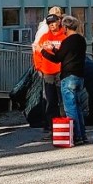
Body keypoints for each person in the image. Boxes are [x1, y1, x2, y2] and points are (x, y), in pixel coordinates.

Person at [41, 15, 89, 145]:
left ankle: (76, 136)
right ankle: (83, 135)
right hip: (80, 76)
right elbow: (66, 54)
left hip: (68, 77)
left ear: (66, 27)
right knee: (78, 107)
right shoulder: (81, 40)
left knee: (70, 109)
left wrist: (44, 52)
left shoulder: (68, 41)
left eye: (63, 27)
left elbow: (58, 58)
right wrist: (54, 49)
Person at [33, 12, 68, 141]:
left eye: (53, 22)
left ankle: (66, 127)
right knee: (50, 101)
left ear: (58, 22)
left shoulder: (64, 37)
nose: (52, 25)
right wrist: (39, 67)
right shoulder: (44, 37)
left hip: (61, 72)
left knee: (63, 101)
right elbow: (37, 53)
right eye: (49, 24)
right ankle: (51, 129)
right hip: (47, 72)